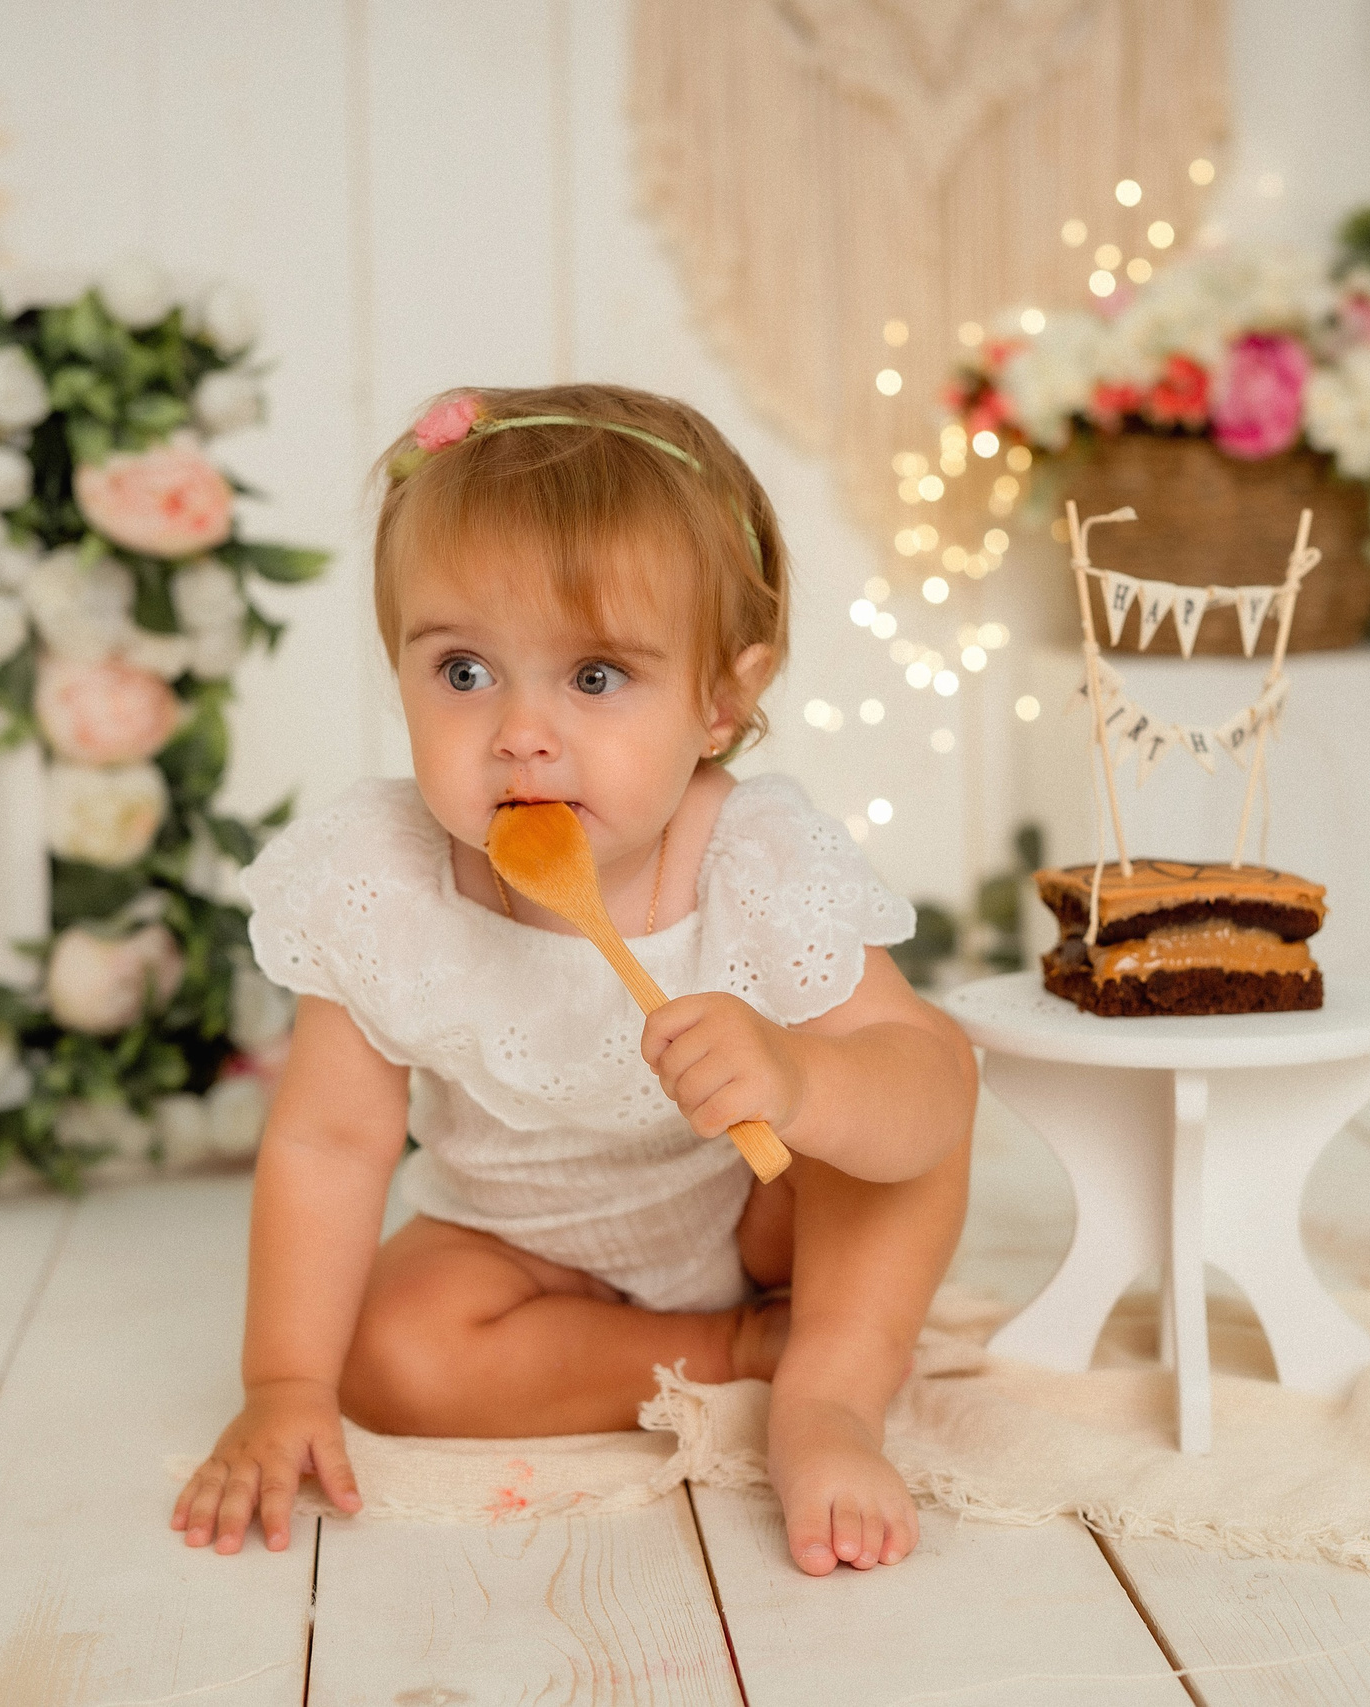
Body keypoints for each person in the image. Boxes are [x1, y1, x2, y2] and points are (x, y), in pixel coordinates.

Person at [171, 382, 976, 1575]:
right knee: (390, 1360)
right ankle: (741, 1355)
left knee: (900, 1124)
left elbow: (929, 1092)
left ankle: (831, 1392)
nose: (519, 731)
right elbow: (330, 1145)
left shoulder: (753, 858)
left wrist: (801, 1078)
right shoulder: (383, 877)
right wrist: (284, 1382)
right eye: (462, 672)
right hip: (521, 1243)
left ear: (722, 699)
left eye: (594, 677)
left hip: (754, 1209)